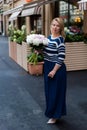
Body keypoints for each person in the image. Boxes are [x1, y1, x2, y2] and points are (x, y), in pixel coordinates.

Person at [43, 17, 67, 124]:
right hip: (47, 66)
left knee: (56, 93)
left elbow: (61, 57)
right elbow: (46, 54)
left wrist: (54, 71)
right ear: (50, 26)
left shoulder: (60, 40)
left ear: (61, 28)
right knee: (49, 92)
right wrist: (39, 50)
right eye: (53, 25)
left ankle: (55, 115)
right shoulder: (48, 38)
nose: (55, 27)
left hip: (57, 69)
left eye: (58, 26)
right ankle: (52, 113)